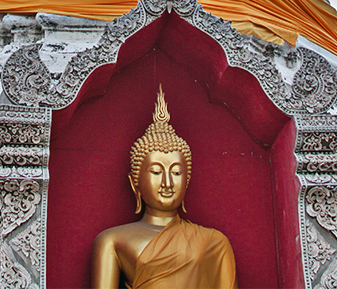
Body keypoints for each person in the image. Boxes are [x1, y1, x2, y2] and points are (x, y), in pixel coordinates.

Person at [91, 86, 237, 289]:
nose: (167, 183)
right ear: (135, 183)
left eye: (176, 173)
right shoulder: (113, 241)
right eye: (156, 172)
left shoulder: (213, 242)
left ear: (186, 180)